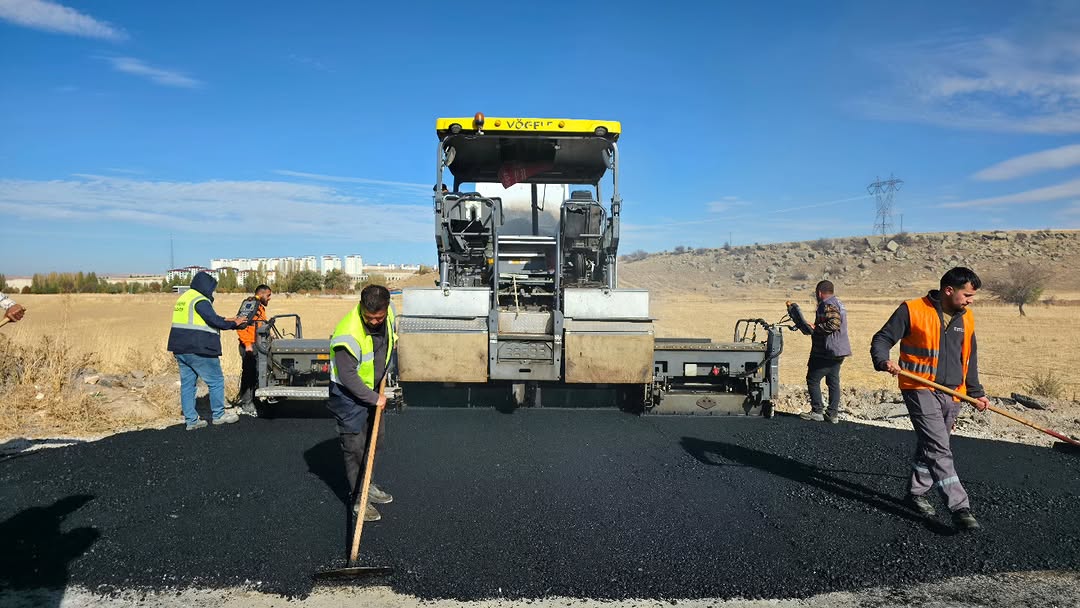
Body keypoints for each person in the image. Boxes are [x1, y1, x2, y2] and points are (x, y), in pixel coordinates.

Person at [870, 267, 989, 532]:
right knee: (938, 446)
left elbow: (969, 359)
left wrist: (976, 393)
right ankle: (960, 508)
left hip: (952, 392)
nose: (971, 300)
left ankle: (916, 493)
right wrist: (883, 360)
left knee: (934, 442)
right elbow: (883, 338)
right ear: (949, 290)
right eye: (967, 295)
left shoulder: (966, 319)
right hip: (918, 386)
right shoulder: (912, 309)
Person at [326, 285, 395, 522]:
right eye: (369, 317)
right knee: (354, 449)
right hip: (348, 396)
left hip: (373, 389)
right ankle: (359, 500)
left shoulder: (389, 313)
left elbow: (389, 340)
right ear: (361, 308)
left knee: (375, 442)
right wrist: (375, 398)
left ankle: (369, 485)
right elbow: (348, 377)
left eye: (379, 318)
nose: (375, 322)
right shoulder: (348, 334)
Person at [167, 272, 244, 431]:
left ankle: (191, 421)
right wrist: (234, 323)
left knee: (188, 385)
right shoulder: (200, 300)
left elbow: (204, 317)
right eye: (211, 288)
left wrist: (226, 318)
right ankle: (218, 415)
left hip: (181, 348)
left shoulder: (186, 298)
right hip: (199, 348)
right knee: (216, 381)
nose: (212, 292)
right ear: (206, 286)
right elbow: (213, 320)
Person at [800, 280, 851, 424]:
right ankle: (832, 414)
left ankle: (817, 411)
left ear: (819, 292)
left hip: (828, 351)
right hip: (839, 350)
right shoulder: (838, 302)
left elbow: (834, 323)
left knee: (813, 379)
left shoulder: (827, 304)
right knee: (833, 381)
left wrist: (816, 327)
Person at [235, 284, 271, 416]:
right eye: (268, 295)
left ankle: (254, 400)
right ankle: (246, 403)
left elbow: (259, 325)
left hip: (258, 345)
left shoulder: (259, 307)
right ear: (261, 294)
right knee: (249, 374)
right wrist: (248, 344)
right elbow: (241, 325)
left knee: (257, 373)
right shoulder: (251, 305)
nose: (269, 298)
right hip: (250, 346)